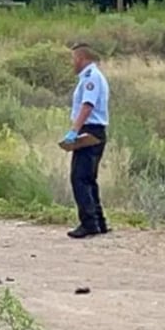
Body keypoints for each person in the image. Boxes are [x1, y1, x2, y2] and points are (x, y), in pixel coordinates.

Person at [61, 43, 109, 239]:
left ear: (81, 58)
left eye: (74, 59)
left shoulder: (91, 78)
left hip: (90, 131)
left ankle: (88, 223)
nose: (72, 63)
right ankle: (99, 222)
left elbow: (87, 105)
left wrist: (74, 131)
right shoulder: (94, 76)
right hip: (95, 130)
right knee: (89, 178)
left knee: (79, 177)